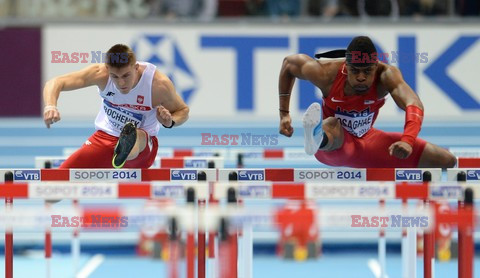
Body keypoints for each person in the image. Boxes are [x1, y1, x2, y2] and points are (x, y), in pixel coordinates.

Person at [277, 36, 456, 168]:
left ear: (376, 66)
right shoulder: (327, 74)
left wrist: (408, 140)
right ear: (345, 66)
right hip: (332, 147)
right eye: (355, 71)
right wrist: (284, 114)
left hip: (366, 141)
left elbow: (414, 103)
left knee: (446, 160)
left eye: (367, 71)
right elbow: (288, 64)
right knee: (332, 124)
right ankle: (317, 137)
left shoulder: (386, 75)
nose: (361, 77)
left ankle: (424, 205)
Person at [43, 44, 189, 169]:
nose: (121, 83)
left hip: (143, 148)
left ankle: (126, 149)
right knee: (56, 184)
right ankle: (120, 151)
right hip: (105, 138)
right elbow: (55, 83)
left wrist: (170, 122)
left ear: (136, 67)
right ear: (107, 69)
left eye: (126, 76)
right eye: (115, 77)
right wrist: (50, 106)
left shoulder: (158, 85)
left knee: (136, 134)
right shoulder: (100, 74)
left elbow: (183, 110)